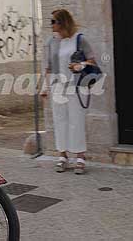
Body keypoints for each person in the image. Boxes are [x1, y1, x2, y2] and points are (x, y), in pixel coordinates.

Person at [40, 9, 97, 174]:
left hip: (77, 87)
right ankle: (62, 156)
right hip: (58, 87)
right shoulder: (52, 42)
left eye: (53, 21)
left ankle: (80, 157)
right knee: (60, 121)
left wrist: (81, 65)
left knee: (76, 121)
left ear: (62, 22)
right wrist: (45, 88)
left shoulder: (80, 40)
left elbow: (92, 60)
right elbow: (49, 67)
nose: (51, 25)